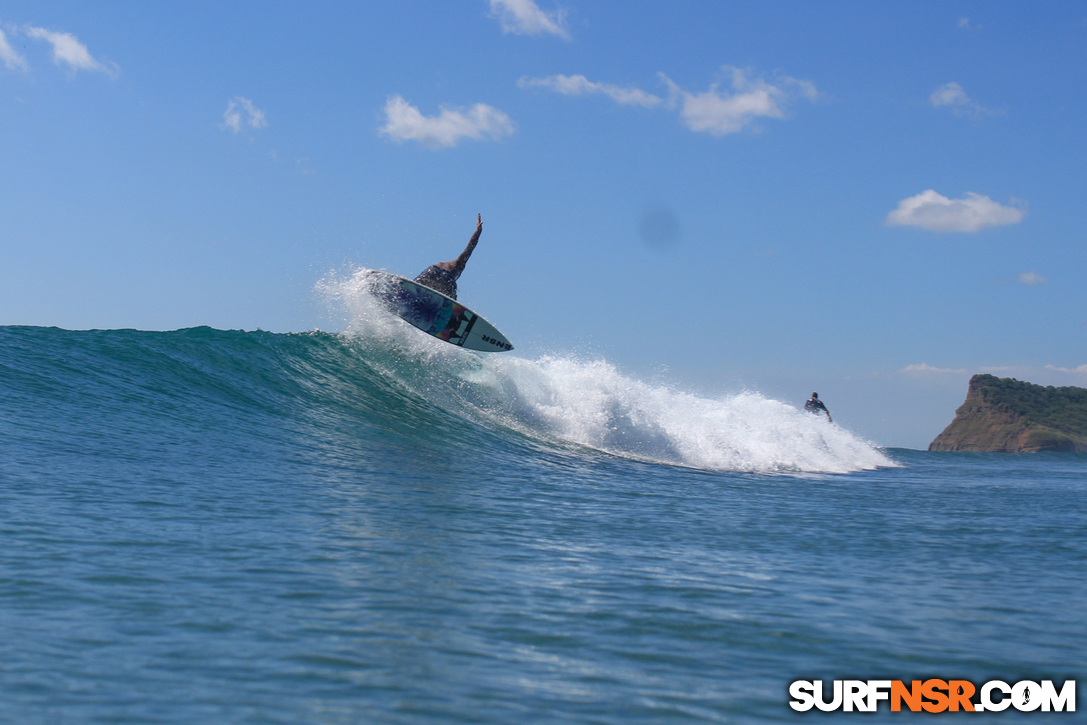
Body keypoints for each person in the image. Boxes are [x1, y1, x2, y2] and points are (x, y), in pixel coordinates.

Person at [413, 213, 482, 300]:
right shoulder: (460, 264)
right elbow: (470, 248)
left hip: (433, 270)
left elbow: (469, 248)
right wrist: (478, 232)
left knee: (416, 284)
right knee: (451, 299)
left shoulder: (455, 262)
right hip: (447, 278)